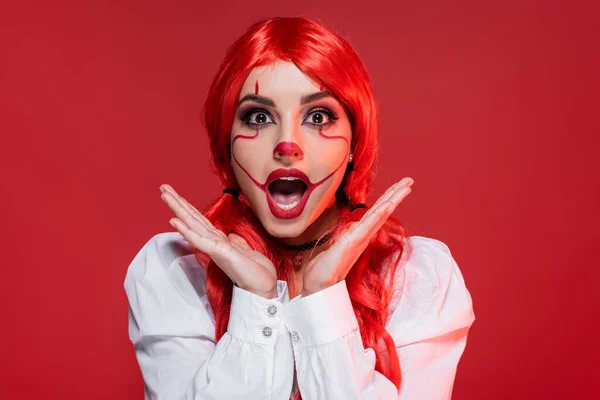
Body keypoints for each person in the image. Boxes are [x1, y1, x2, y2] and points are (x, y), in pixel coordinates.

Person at [124, 16, 475, 400]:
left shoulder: (419, 277)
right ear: (226, 144)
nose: (287, 145)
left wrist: (324, 297)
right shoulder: (176, 271)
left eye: (318, 116)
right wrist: (255, 298)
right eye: (259, 117)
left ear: (355, 142)